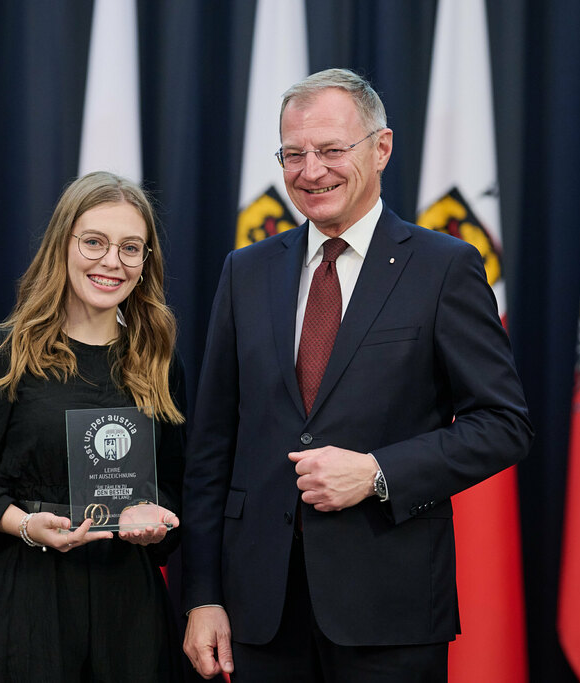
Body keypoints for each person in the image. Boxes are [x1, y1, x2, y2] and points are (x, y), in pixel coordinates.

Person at [181, 68, 533, 681]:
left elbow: (504, 425)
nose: (311, 171)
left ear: (381, 148)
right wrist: (203, 595)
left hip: (389, 608)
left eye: (331, 150)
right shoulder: (246, 271)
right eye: (294, 154)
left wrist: (376, 473)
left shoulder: (443, 267)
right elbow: (212, 447)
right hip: (259, 613)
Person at [0, 171, 187, 682]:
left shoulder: (158, 361)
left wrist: (157, 519)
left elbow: (178, 484)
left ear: (145, 263)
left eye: (130, 248)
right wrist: (24, 525)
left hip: (130, 607)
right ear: (62, 246)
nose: (112, 261)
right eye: (94, 242)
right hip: (30, 600)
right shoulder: (4, 356)